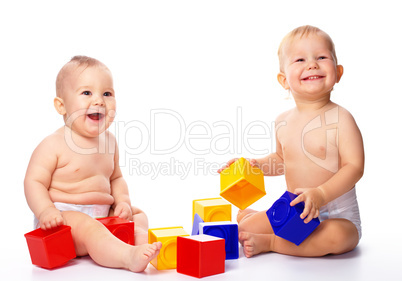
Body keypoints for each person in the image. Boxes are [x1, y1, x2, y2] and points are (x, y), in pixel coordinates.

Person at [218, 25, 364, 258]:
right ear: (284, 80)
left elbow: (354, 167)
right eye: (300, 59)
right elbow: (281, 160)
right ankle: (255, 219)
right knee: (244, 229)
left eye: (321, 57)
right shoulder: (283, 121)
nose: (312, 64)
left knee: (339, 237)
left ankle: (273, 243)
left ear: (338, 72)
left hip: (336, 214)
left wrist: (321, 194)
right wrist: (253, 165)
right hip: (294, 210)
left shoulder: (342, 119)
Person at [24, 56, 162, 272]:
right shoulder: (53, 144)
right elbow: (34, 182)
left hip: (103, 213)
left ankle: (141, 241)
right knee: (89, 228)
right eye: (87, 93)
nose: (99, 101)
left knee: (138, 214)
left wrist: (122, 201)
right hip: (63, 219)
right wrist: (46, 212)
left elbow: (116, 178)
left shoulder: (110, 141)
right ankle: (128, 257)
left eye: (107, 94)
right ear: (61, 106)